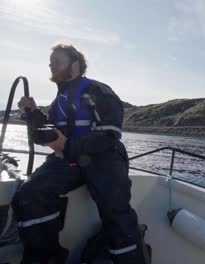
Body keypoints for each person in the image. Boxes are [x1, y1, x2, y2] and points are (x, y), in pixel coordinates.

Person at [12, 44, 146, 263]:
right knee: (29, 196)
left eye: (57, 60)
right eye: (50, 61)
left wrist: (67, 146)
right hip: (69, 159)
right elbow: (48, 134)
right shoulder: (58, 102)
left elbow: (109, 135)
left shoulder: (97, 90)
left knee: (116, 215)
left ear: (75, 64)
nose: (51, 65)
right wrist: (33, 114)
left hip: (104, 158)